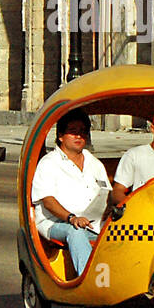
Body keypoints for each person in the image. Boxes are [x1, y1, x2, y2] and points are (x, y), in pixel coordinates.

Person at [31, 113, 111, 278]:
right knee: (76, 232)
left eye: (82, 131)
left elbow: (106, 195)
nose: (78, 136)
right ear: (61, 136)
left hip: (93, 223)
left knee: (124, 231)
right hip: (57, 223)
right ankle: (88, 280)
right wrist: (72, 218)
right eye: (73, 131)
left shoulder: (94, 164)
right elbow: (48, 201)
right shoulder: (49, 163)